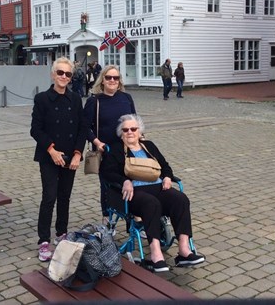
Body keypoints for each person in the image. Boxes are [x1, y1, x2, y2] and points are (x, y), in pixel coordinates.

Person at [100, 114, 205, 272]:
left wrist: (168, 177)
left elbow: (165, 166)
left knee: (180, 199)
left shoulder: (149, 146)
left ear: (139, 131)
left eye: (133, 129)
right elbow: (106, 173)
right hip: (134, 192)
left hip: (158, 187)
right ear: (121, 133)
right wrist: (125, 181)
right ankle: (156, 255)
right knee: (151, 203)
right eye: (126, 130)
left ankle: (184, 250)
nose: (130, 132)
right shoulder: (115, 149)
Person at [30, 57, 88, 262]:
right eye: (60, 73)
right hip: (49, 156)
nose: (64, 77)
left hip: (70, 156)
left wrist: (78, 153)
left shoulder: (75, 99)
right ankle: (43, 240)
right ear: (53, 74)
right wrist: (51, 150)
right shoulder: (42, 99)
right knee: (49, 197)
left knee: (65, 197)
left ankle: (61, 233)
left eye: (68, 74)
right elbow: (35, 129)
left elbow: (82, 128)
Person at [84, 65, 136, 225]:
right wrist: (97, 142)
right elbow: (84, 127)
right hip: (105, 151)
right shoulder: (95, 101)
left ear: (119, 81)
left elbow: (135, 120)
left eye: (116, 78)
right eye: (109, 77)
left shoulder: (126, 98)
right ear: (102, 80)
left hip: (128, 150)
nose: (112, 80)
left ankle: (133, 218)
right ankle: (107, 218)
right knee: (107, 186)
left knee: (133, 182)